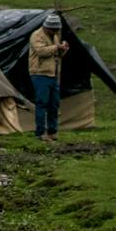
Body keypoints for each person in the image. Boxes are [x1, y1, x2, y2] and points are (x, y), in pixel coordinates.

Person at [28, 11, 71, 142]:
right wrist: (56, 46)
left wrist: (62, 50)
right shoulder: (36, 35)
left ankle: (52, 131)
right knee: (42, 103)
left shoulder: (55, 36)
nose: (55, 31)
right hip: (40, 73)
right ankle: (40, 132)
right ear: (48, 27)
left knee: (54, 104)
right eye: (53, 29)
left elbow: (56, 55)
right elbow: (41, 51)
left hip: (53, 74)